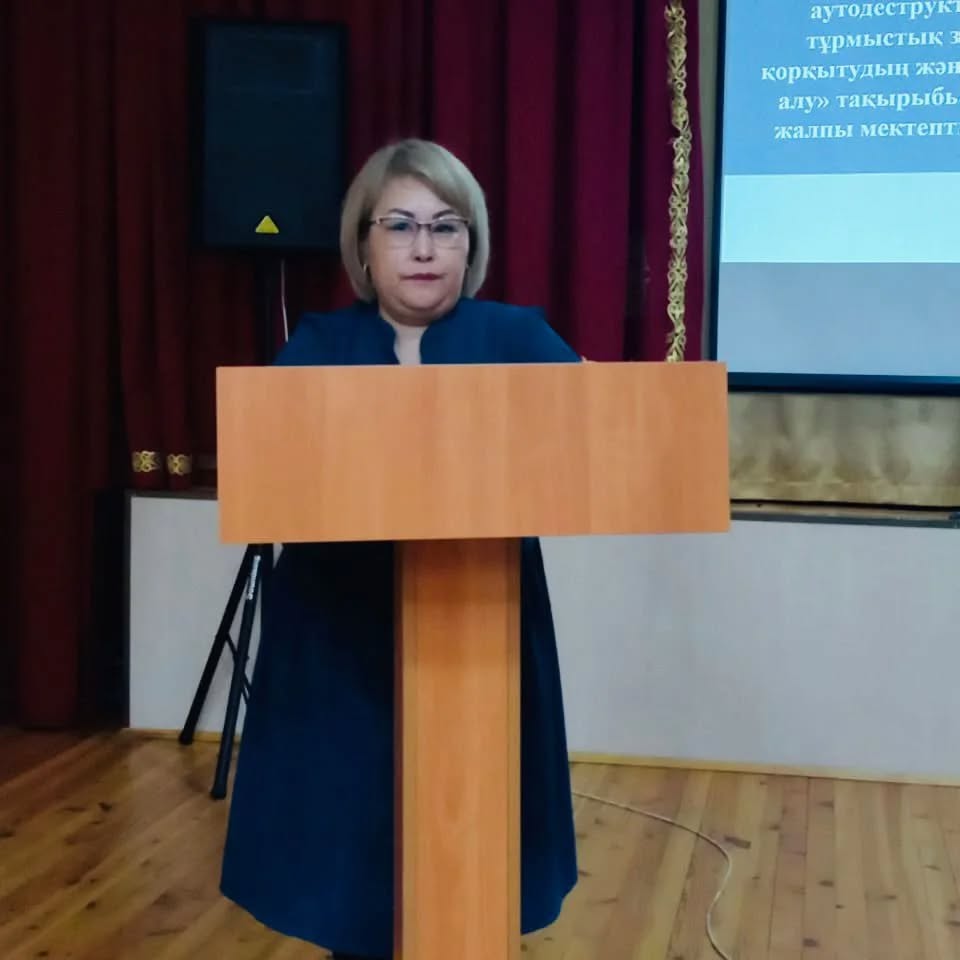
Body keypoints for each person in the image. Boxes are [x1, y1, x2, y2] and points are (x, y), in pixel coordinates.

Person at [220, 138, 580, 959]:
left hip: (481, 634)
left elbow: (602, 439)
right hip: (340, 637)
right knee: (352, 848)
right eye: (401, 226)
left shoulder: (517, 337)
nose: (424, 247)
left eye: (446, 227)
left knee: (476, 844)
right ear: (364, 244)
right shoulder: (318, 345)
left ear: (471, 245)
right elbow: (269, 472)